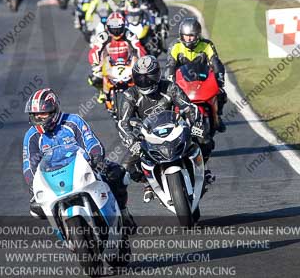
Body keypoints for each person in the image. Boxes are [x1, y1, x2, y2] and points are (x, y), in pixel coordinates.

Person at [22, 88, 135, 228]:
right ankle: (63, 230)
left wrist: (96, 158)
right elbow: (29, 164)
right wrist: (33, 183)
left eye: (43, 113)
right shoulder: (31, 136)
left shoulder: (73, 121)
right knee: (36, 207)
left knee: (118, 174)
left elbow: (91, 141)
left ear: (54, 111)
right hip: (53, 178)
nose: (39, 118)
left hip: (83, 168)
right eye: (35, 114)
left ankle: (123, 213)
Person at [117, 56, 203, 202]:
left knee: (204, 139)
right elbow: (123, 123)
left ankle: (203, 170)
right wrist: (131, 141)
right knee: (125, 168)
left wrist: (196, 124)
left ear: (157, 75)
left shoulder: (170, 87)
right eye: (140, 77)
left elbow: (190, 107)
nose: (144, 81)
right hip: (147, 136)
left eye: (148, 77)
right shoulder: (129, 95)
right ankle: (147, 183)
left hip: (174, 129)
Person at [165, 17, 228, 133]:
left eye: (191, 36)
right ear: (181, 35)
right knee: (167, 98)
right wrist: (170, 80)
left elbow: (216, 63)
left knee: (221, 93)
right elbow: (170, 65)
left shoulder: (207, 45)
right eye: (186, 36)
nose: (188, 39)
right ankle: (170, 121)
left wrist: (219, 79)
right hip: (182, 81)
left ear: (198, 35)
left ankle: (217, 116)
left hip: (202, 79)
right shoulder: (175, 46)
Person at [87, 12, 146, 104]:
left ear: (123, 26)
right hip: (108, 64)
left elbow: (138, 47)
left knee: (143, 77)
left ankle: (141, 95)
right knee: (94, 78)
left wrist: (142, 62)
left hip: (127, 64)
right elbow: (94, 51)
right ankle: (102, 91)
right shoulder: (103, 36)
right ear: (108, 27)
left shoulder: (129, 34)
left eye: (118, 28)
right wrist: (95, 63)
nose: (116, 32)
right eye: (113, 29)